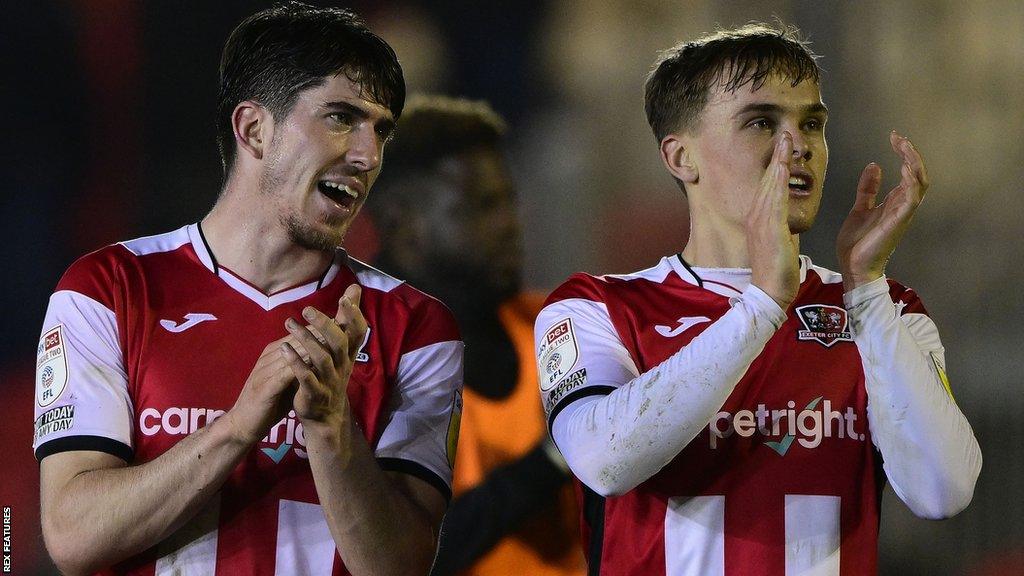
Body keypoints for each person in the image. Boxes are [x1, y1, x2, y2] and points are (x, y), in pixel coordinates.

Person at [534, 23, 982, 575]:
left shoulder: (884, 310)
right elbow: (605, 462)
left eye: (811, 123)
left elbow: (944, 492)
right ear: (680, 158)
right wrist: (763, 304)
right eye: (761, 122)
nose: (798, 147)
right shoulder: (596, 309)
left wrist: (865, 290)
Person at [32, 4, 463, 575]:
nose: (368, 155)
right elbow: (72, 537)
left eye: (381, 130)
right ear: (254, 129)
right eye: (341, 118)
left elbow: (401, 567)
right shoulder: (107, 290)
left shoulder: (415, 328)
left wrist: (332, 428)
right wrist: (239, 425)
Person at [367, 95, 585, 576]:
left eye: (508, 200)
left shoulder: (556, 328)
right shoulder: (364, 358)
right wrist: (555, 458)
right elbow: (396, 553)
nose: (510, 224)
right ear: (405, 225)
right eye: (481, 206)